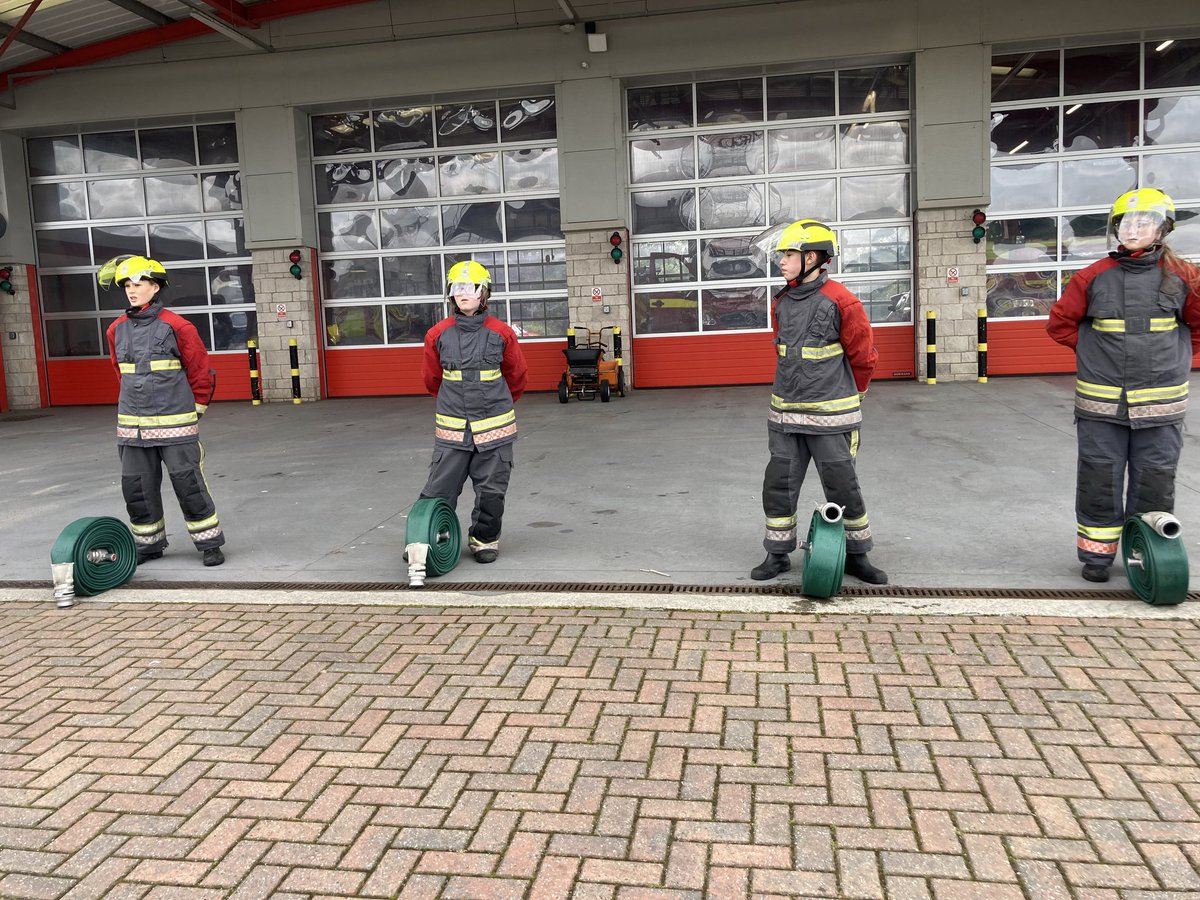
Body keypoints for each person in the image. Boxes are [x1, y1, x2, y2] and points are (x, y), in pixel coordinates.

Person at [1046, 188, 1200, 583]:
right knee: (1099, 477)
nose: (1133, 229)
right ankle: (1096, 558)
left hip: (1161, 407)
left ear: (1163, 229)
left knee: (1155, 479)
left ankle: (1146, 553)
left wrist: (1177, 354)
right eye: (1126, 223)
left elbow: (1196, 329)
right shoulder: (1093, 277)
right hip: (1102, 405)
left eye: (1143, 222)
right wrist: (1096, 350)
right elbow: (1059, 325)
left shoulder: (1184, 278)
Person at [751, 220, 887, 584]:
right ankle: (777, 554)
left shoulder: (842, 301)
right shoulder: (780, 302)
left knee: (843, 486)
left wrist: (853, 396)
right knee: (778, 483)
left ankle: (858, 556)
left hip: (830, 417)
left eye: (788, 254)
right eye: (781, 253)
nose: (781, 260)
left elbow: (863, 356)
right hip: (785, 416)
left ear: (811, 257)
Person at [99, 255, 226, 566]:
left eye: (138, 284)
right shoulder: (116, 329)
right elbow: (121, 372)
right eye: (127, 285)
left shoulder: (177, 326)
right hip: (132, 427)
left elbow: (200, 371)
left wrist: (194, 411)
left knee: (188, 483)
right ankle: (148, 545)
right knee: (136, 488)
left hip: (176, 425)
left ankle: (209, 543)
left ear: (154, 287)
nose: (131, 290)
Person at [419, 260, 528, 563]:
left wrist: (498, 405)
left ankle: (484, 540)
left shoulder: (502, 334)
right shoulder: (437, 334)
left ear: (484, 293)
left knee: (492, 490)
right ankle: (425, 540)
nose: (463, 293)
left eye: (470, 288)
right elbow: (432, 379)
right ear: (450, 294)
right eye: (457, 288)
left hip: (494, 429)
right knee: (439, 487)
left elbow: (517, 377)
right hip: (453, 430)